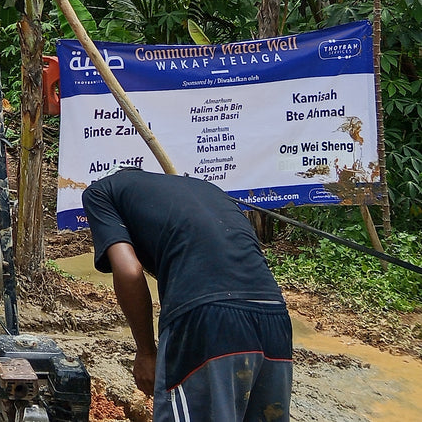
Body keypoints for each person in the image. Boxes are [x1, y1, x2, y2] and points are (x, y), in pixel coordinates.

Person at [82, 168, 292, 422]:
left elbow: (129, 271)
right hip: (274, 316)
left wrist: (147, 353)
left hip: (207, 321)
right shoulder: (206, 189)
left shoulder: (101, 191)